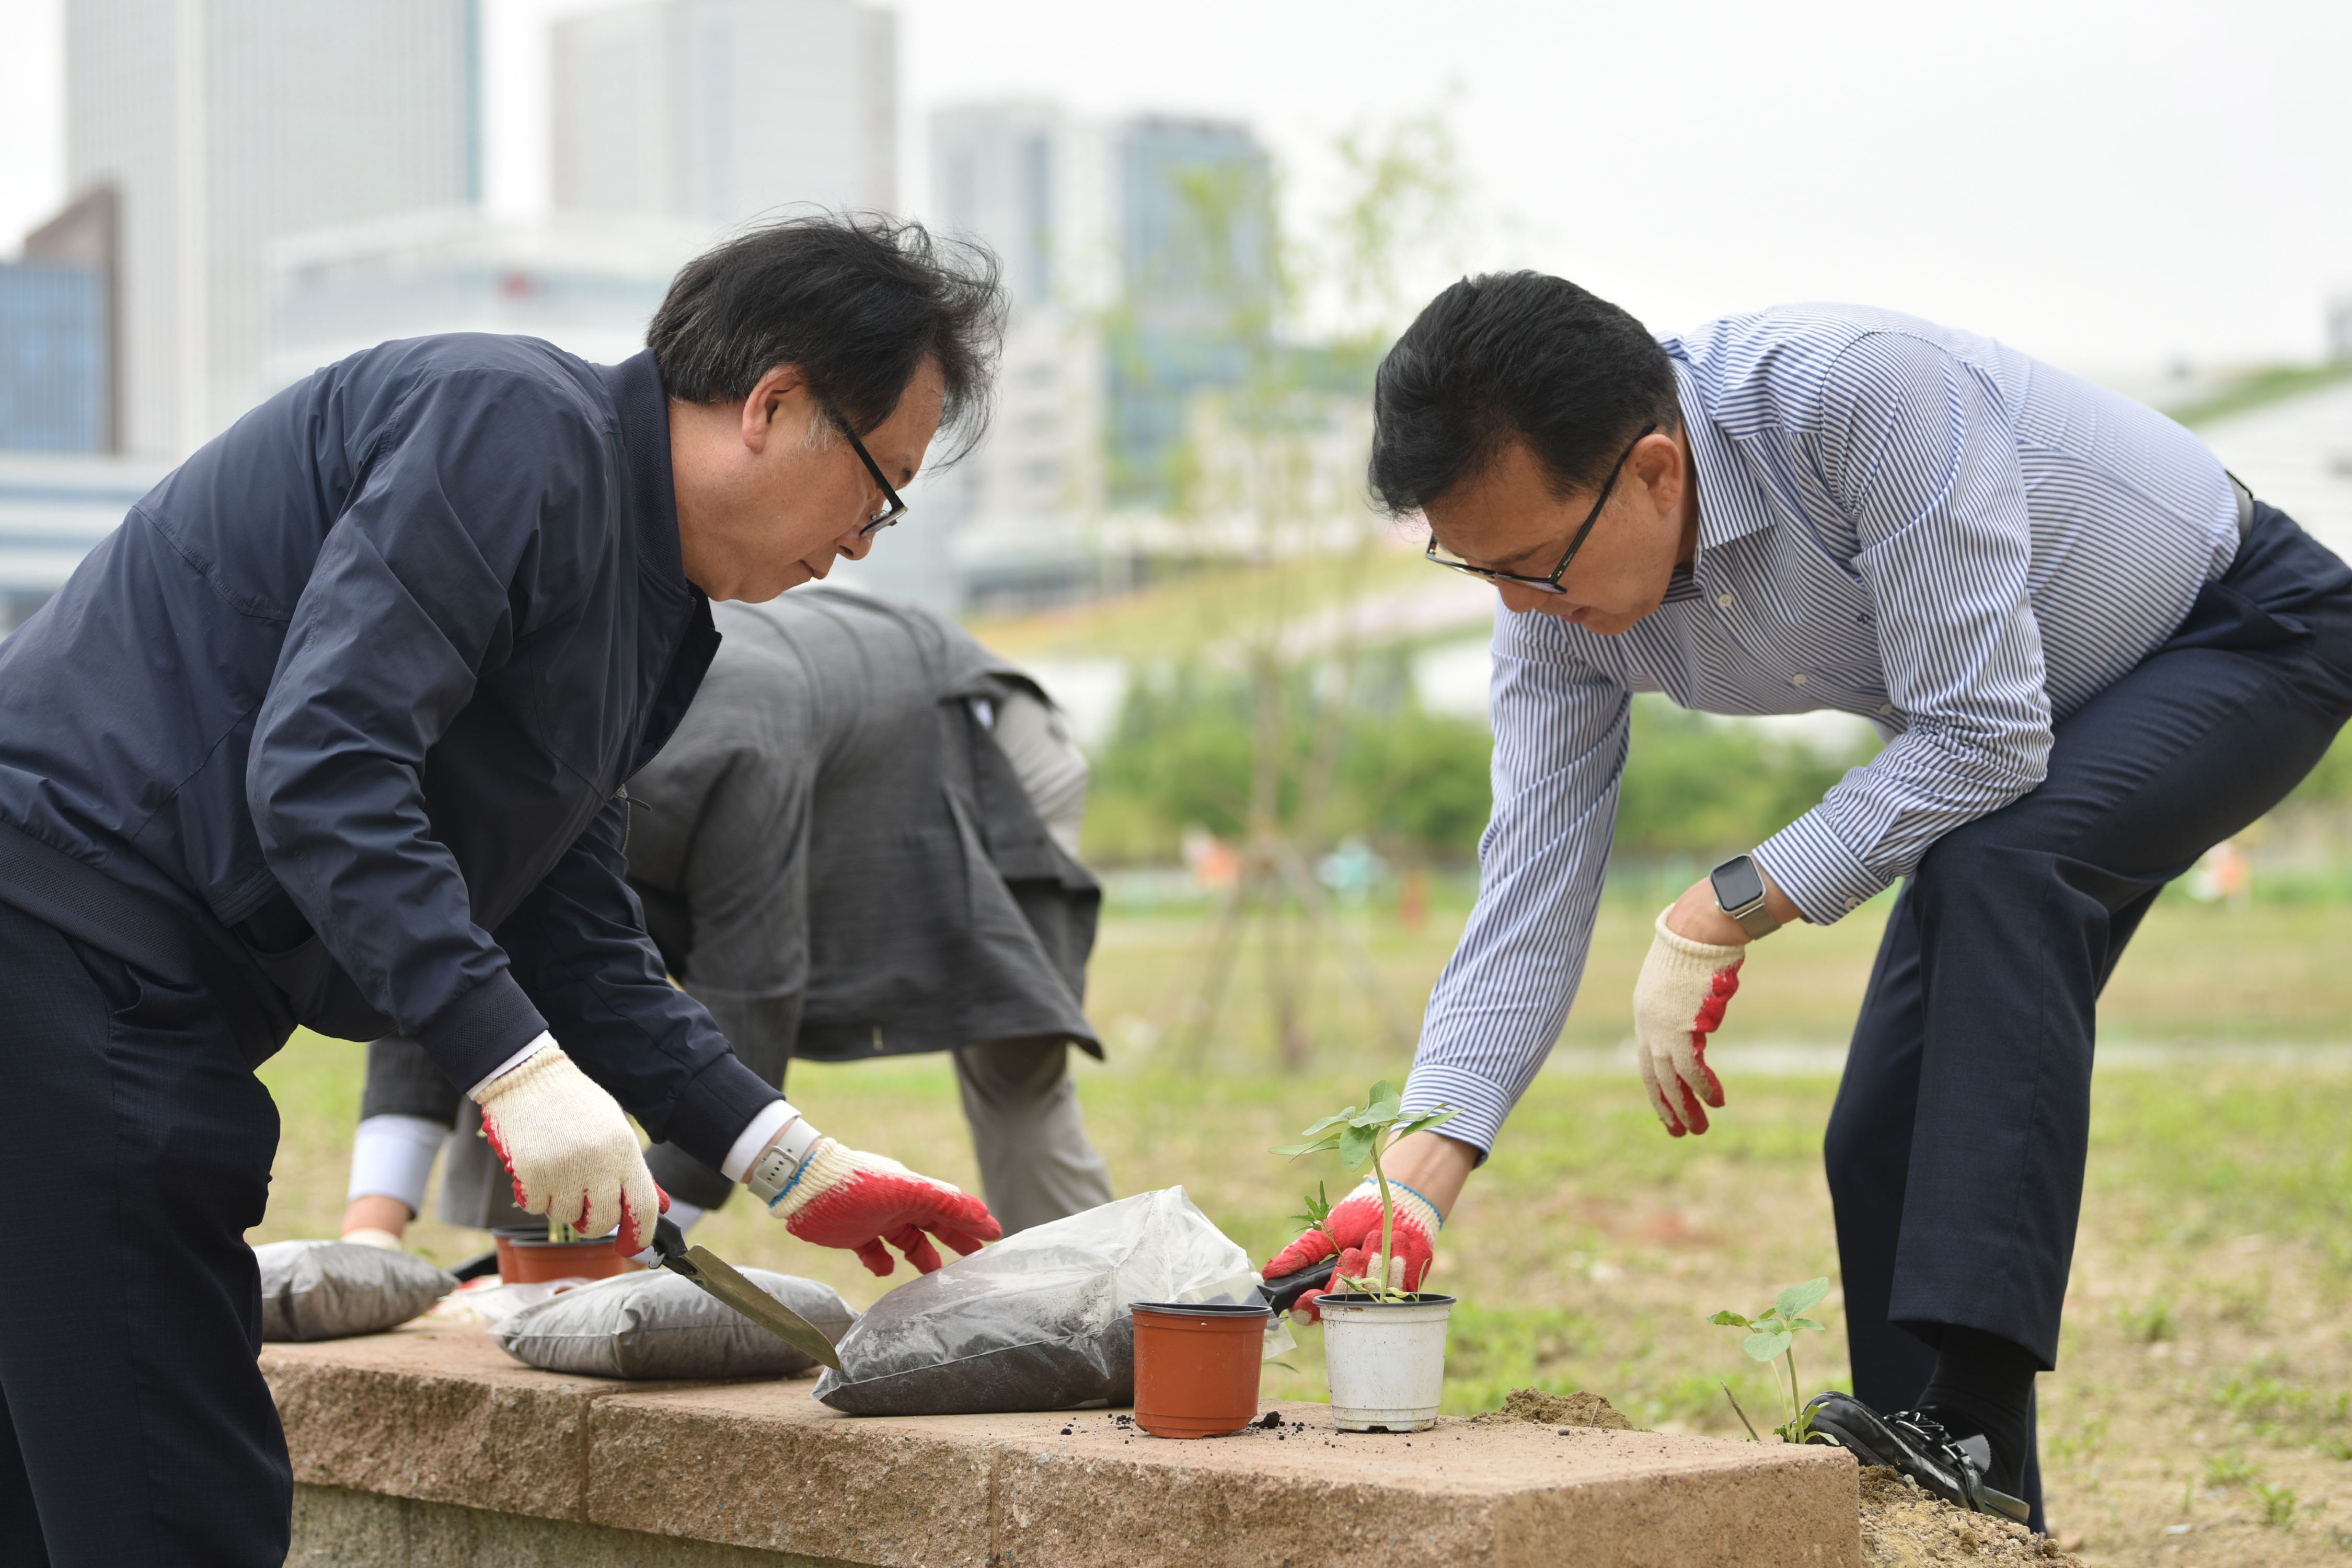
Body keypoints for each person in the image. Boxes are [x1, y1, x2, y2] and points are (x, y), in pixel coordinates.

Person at [1262, 274, 2352, 1531]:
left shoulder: (1860, 400)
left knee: (2004, 867)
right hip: (2041, 722)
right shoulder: (1557, 614)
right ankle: (1950, 1522)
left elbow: (1983, 735)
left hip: (2237, 634)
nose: (1517, 606)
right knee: (1881, 1127)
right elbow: (1530, 883)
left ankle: (1976, 1431)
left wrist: (1730, 903)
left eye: (1532, 564)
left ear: (1657, 472)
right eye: (1476, 569)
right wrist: (1417, 1172)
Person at [0, 214, 1012, 1565]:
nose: (866, 544)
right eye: (880, 490)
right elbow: (325, 767)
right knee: (172, 1515)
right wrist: (512, 1072)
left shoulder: (648, 609)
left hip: (93, 986)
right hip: (64, 962)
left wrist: (794, 1162)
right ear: (775, 403)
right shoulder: (511, 425)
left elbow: (570, 926)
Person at [341, 588, 1114, 1252]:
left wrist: (642, 1245)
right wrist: (371, 1231)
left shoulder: (724, 753)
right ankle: (536, 1259)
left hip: (967, 736)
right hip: (819, 726)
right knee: (525, 1000)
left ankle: (1083, 1302)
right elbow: (443, 962)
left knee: (1016, 1059)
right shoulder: (484, 763)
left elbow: (752, 994)